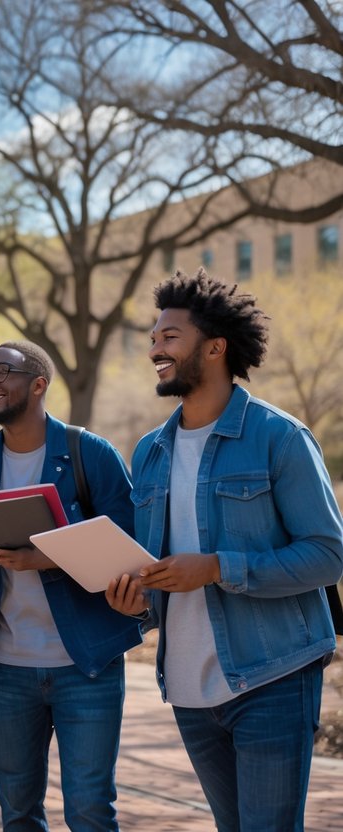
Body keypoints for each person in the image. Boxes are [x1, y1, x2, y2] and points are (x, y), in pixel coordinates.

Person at [106, 270, 343, 831]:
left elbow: (328, 553)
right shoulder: (151, 452)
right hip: (188, 686)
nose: (154, 350)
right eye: (153, 338)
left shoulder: (279, 437)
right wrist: (135, 604)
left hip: (273, 675)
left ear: (214, 348)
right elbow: (158, 569)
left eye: (169, 338)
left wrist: (217, 568)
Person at [0, 340, 140, 832]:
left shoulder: (89, 454)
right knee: (18, 815)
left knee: (89, 811)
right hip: (8, 670)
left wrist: (45, 556)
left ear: (38, 384)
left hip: (87, 666)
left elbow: (128, 552)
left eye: (2, 372)